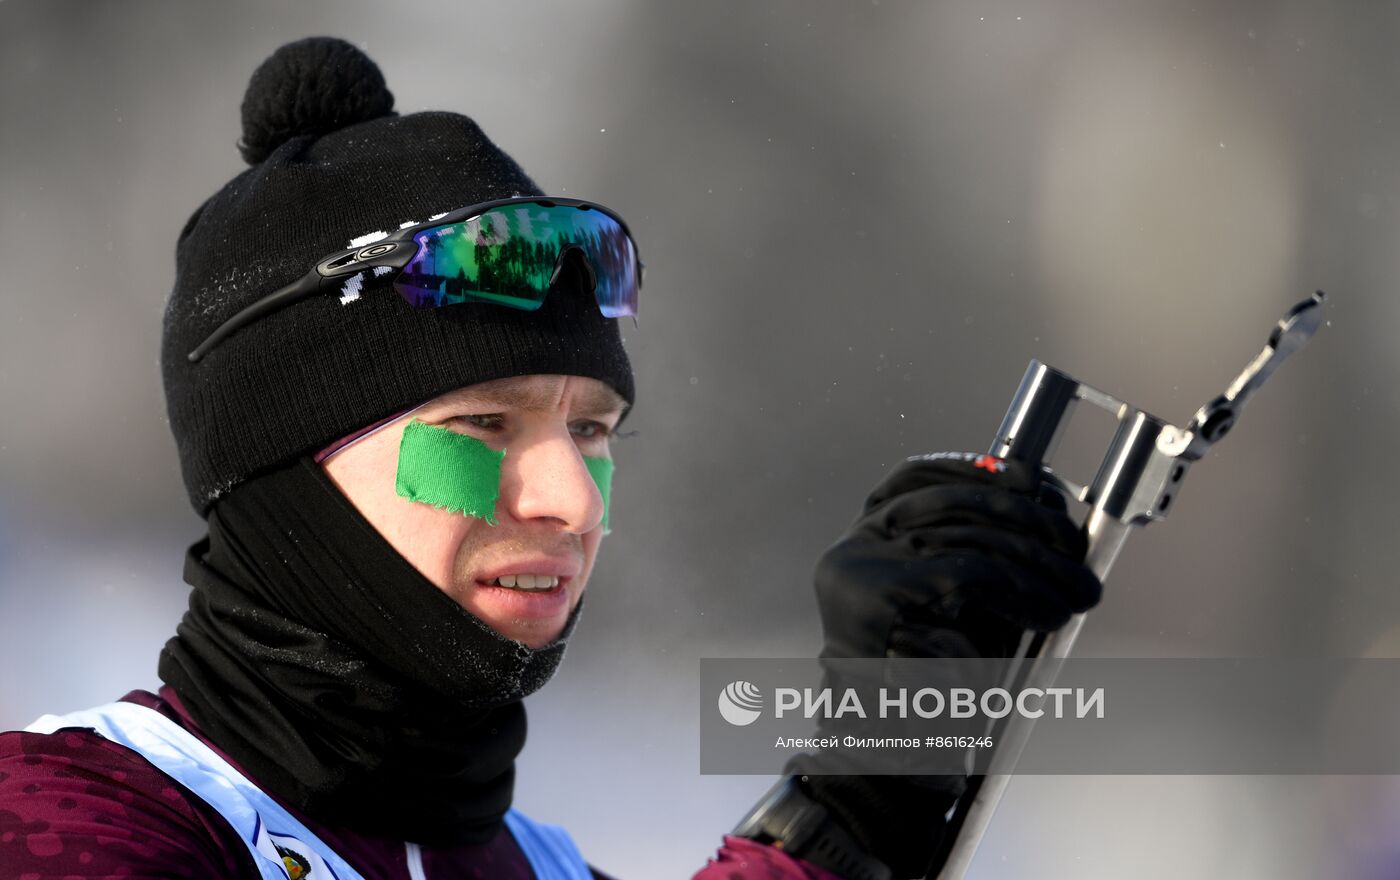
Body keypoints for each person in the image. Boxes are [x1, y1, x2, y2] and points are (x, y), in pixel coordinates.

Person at [0, 38, 1100, 880]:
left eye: (591, 430)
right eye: (482, 426)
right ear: (281, 469)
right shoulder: (69, 817)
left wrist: (864, 791)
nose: (570, 498)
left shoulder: (536, 862)